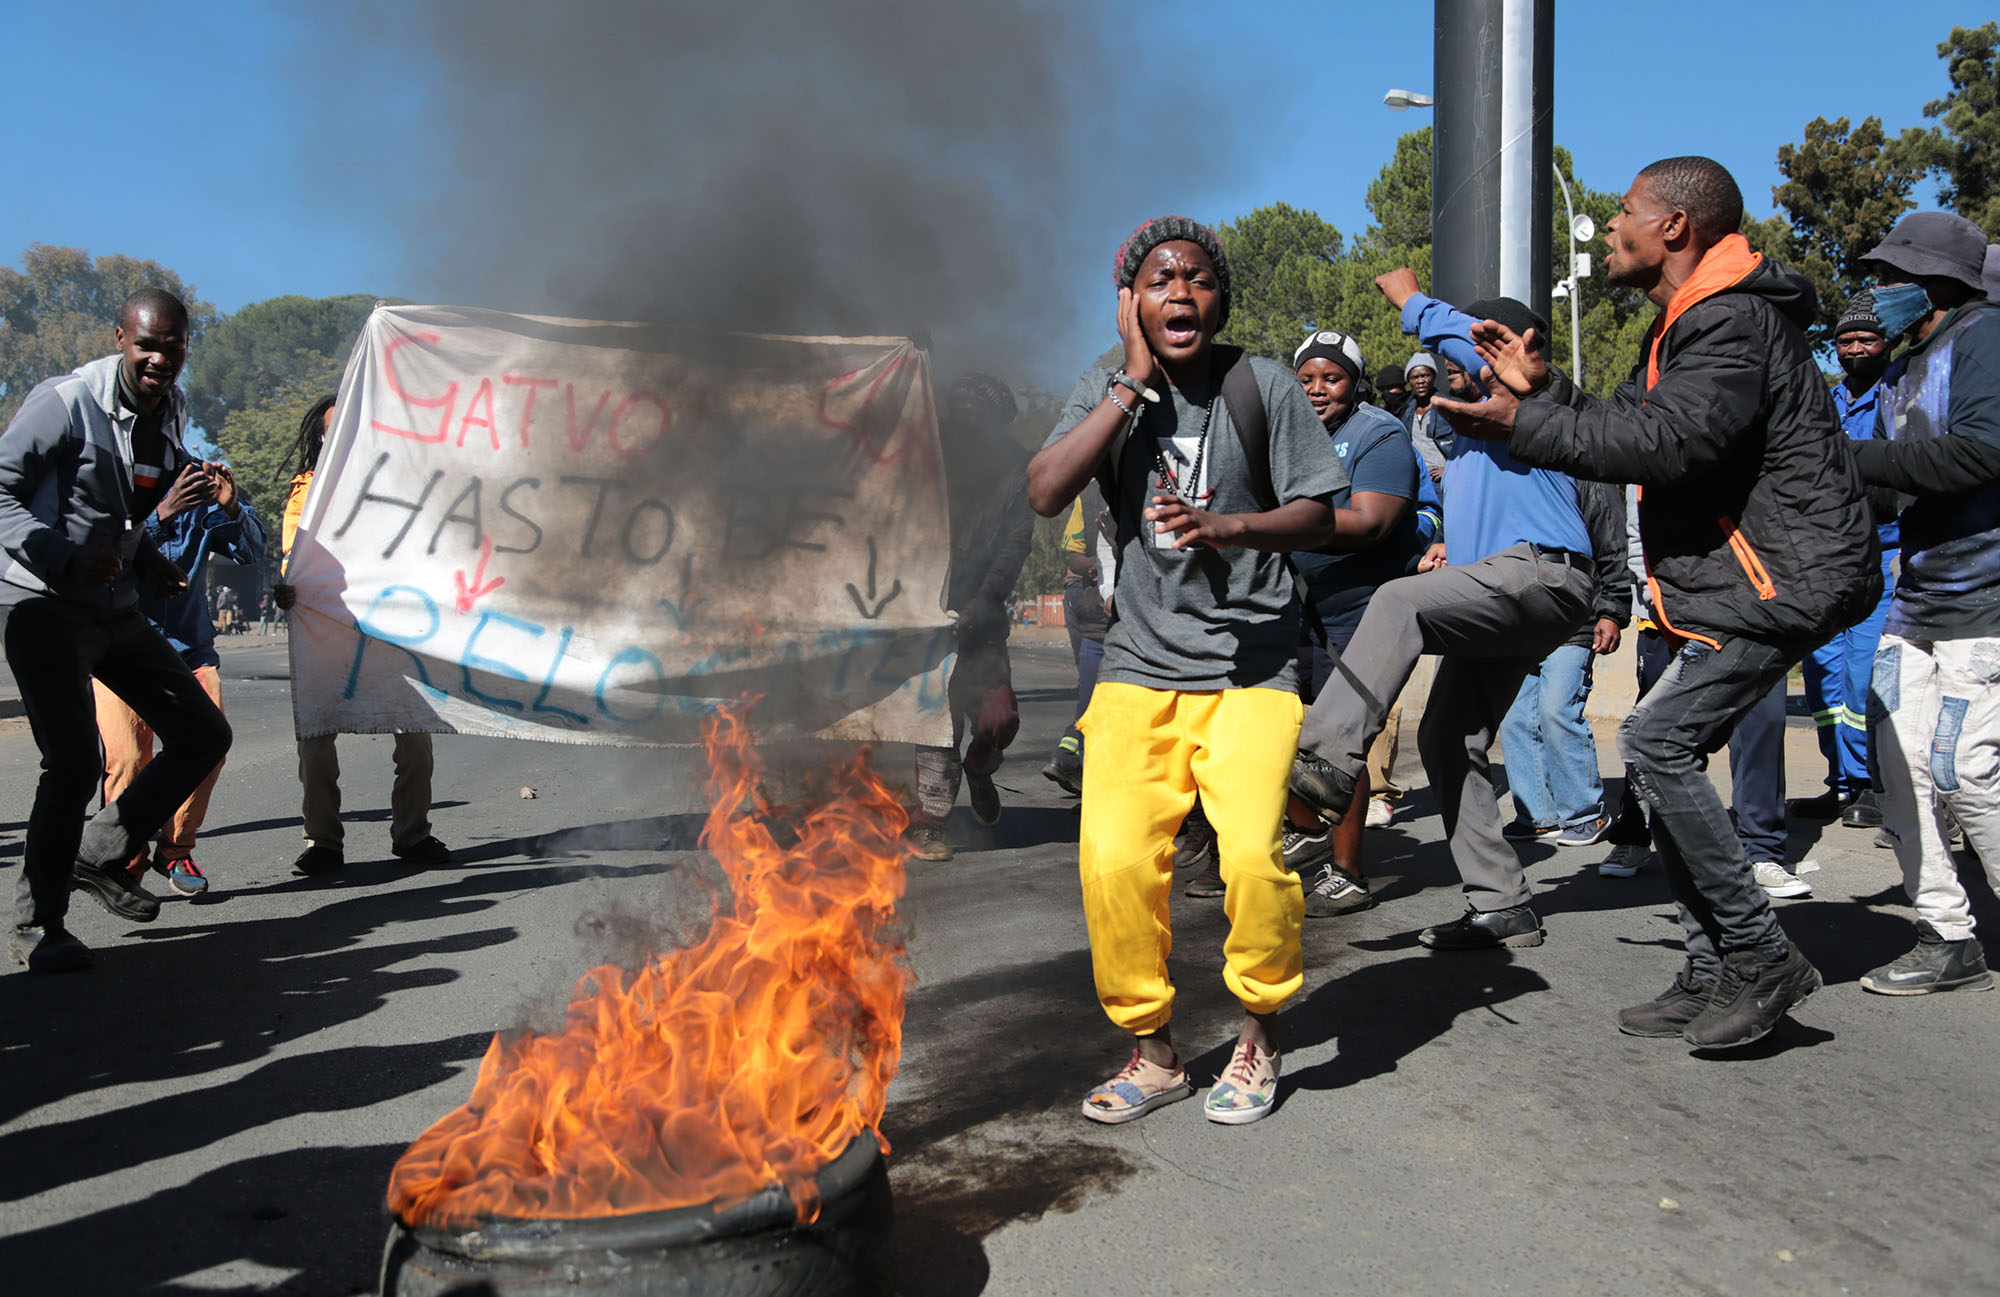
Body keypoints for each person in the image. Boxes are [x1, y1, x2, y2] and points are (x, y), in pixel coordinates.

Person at [1435, 156, 1879, 1049]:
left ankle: (1759, 953)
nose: (1609, 227)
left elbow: (1669, 442)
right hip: (1749, 579)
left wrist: (1521, 422)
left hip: (1779, 582)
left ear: (1674, 226)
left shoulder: (1728, 320)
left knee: (1653, 740)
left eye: (1625, 211)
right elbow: (1643, 426)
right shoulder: (1692, 321)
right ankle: (1712, 963)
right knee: (1655, 751)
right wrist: (1546, 395)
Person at [1026, 215, 1343, 1125]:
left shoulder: (1264, 386)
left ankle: (1259, 1032)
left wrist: (1235, 526)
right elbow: (1046, 490)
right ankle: (1154, 1052)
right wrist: (1129, 383)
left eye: (1198, 279)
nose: (1181, 294)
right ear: (1130, 301)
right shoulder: (1108, 382)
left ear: (1220, 296)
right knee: (1115, 865)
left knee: (1250, 858)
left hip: (1253, 667)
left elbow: (1322, 512)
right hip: (1138, 666)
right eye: (1160, 280)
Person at [1287, 272, 1596, 956]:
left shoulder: (1530, 399)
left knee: (1395, 603)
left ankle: (1320, 764)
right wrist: (1442, 546)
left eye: (1473, 356)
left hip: (1542, 573)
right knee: (1447, 737)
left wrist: (1409, 299)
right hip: (1503, 591)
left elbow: (1476, 348)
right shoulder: (1464, 436)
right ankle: (1501, 901)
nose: (1459, 369)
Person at [0, 289, 234, 973]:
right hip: (42, 604)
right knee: (72, 761)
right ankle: (37, 924)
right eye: (147, 345)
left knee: (203, 733)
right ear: (121, 339)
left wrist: (151, 559)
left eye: (173, 346)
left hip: (115, 606)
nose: (161, 359)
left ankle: (96, 851)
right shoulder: (66, 401)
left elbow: (127, 509)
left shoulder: (170, 415)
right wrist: (59, 553)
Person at [1842, 211, 2000, 996]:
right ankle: (1948, 932)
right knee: (1903, 767)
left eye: (1890, 276)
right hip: (1919, 602)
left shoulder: (1985, 337)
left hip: (1989, 603)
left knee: (1970, 771)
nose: (1879, 291)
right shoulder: (1904, 368)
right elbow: (1895, 486)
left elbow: (1983, 448)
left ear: (1935, 281)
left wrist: (1861, 457)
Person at [1274, 327, 1431, 917]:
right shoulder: (1288, 438)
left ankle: (1349, 870)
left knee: (1340, 745)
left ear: (1356, 382)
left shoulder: (1379, 433)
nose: (1317, 390)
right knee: (1283, 729)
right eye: (1307, 378)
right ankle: (1306, 827)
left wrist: (1266, 526)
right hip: (1294, 608)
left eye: (1331, 379)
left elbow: (1371, 524)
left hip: (1358, 610)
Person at [273, 396, 453, 874]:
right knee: (316, 736)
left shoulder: (396, 485)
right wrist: (290, 586)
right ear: (319, 439)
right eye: (332, 431)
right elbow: (297, 558)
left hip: (392, 630)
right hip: (327, 632)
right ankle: (323, 842)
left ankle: (413, 835)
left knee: (415, 732)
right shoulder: (304, 492)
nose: (342, 439)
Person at [95, 456, 266, 897]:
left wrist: (232, 507)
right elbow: (109, 554)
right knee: (129, 759)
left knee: (208, 749)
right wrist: (161, 514)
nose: (183, 481)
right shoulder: (123, 502)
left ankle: (175, 850)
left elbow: (252, 552)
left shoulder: (205, 512)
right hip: (121, 653)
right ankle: (123, 857)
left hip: (191, 653)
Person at [904, 374, 1035, 861]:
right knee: (935, 725)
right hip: (927, 612)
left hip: (983, 615)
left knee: (998, 720)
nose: (961, 416)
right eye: (954, 406)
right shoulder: (928, 459)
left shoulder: (1017, 471)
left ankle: (980, 770)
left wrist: (984, 602)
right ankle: (931, 822)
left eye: (973, 409)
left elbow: (1014, 544)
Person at [1787, 289, 1899, 830]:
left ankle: (1878, 786)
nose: (1855, 347)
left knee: (1865, 677)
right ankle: (1844, 783)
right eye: (1845, 339)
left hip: (1886, 556)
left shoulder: (1899, 396)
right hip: (1827, 561)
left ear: (1886, 342)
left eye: (1866, 338)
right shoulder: (1829, 403)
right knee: (1824, 678)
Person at [1497, 477, 1631, 848]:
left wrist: (1613, 610)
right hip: (1520, 615)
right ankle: (1537, 815)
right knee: (1516, 715)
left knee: (1557, 709)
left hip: (1576, 613)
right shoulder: (1510, 470)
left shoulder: (1585, 472)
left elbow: (1611, 541)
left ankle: (1586, 811)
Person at [1042, 481, 1114, 796]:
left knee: (1096, 696)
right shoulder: (1088, 494)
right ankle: (1076, 762)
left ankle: (1067, 756)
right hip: (1092, 609)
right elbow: (1073, 557)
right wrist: (1097, 566)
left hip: (1105, 606)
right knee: (1095, 694)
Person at [1402, 351, 1448, 491]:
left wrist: (1447, 470)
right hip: (1419, 482)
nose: (1420, 381)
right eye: (1415, 377)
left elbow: (1462, 446)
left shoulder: (1446, 407)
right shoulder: (1408, 411)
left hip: (1442, 482)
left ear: (1433, 377)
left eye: (1425, 375)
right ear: (1409, 381)